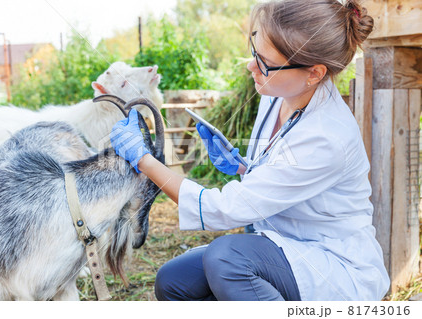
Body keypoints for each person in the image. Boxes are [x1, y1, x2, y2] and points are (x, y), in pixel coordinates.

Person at [110, 0, 390, 301]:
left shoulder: (327, 135)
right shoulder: (278, 94)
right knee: (173, 280)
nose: (251, 66)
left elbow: (224, 210)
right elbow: (283, 177)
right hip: (280, 247)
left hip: (331, 267)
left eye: (265, 63)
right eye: (254, 51)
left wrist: (144, 160)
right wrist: (244, 166)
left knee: (226, 258)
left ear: (314, 73)